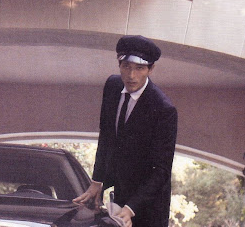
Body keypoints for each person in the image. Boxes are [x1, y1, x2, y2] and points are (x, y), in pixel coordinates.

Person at [73, 35, 177, 227]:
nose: (131, 75)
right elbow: (106, 136)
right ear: (119, 64)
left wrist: (131, 208)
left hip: (148, 207)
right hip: (119, 196)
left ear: (151, 69)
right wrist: (97, 181)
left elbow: (161, 171)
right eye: (126, 66)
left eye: (139, 68)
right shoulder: (112, 86)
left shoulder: (163, 109)